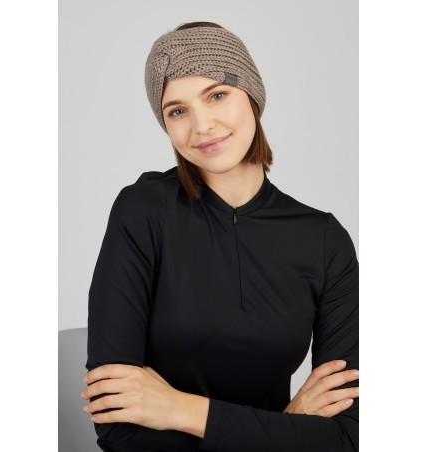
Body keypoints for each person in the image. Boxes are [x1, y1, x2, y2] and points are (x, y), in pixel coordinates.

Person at [82, 21, 359, 452]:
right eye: (177, 111)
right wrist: (285, 428)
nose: (202, 126)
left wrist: (176, 408)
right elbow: (115, 421)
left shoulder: (325, 242)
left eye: (216, 95)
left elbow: (347, 437)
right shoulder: (144, 210)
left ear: (252, 94)